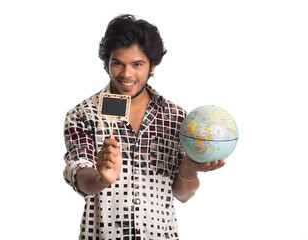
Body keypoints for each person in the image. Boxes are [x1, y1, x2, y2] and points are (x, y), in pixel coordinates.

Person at [63, 14, 225, 240]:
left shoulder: (177, 117)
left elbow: (183, 195)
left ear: (152, 66)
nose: (126, 74)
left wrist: (189, 167)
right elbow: (78, 174)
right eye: (117, 63)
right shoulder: (83, 114)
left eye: (137, 64)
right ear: (105, 63)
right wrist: (101, 179)